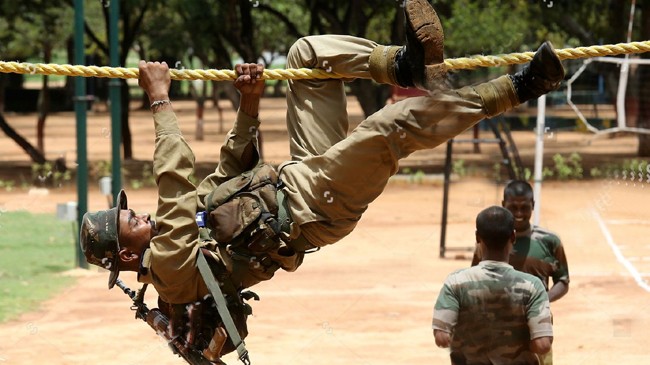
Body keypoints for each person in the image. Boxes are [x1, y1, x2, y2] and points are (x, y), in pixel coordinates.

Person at [79, 0, 565, 362]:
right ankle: (521, 86)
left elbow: (225, 174)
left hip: (300, 174)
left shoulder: (174, 236)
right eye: (129, 220)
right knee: (390, 127)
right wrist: (160, 101)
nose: (139, 212)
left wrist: (249, 102)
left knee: (305, 55)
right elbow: (176, 181)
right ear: (125, 253)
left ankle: (403, 64)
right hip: (314, 208)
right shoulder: (168, 266)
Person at [432, 206, 553, 365]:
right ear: (513, 237)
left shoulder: (456, 282)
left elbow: (442, 339)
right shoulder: (532, 286)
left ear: (477, 237)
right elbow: (542, 345)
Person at [470, 180, 569, 365]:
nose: (519, 213)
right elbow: (475, 278)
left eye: (525, 207)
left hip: (535, 330)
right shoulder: (488, 243)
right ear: (503, 205)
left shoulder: (550, 242)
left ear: (533, 205)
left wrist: (541, 298)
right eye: (513, 207)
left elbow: (563, 281)